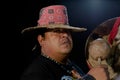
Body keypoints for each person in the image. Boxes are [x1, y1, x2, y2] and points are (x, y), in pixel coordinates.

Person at [20, 5, 109, 80]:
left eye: (67, 31)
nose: (65, 35)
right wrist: (90, 78)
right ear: (41, 40)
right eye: (57, 31)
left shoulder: (71, 65)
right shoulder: (35, 74)